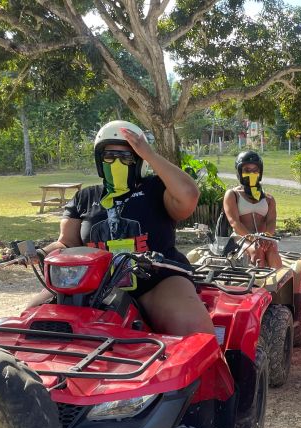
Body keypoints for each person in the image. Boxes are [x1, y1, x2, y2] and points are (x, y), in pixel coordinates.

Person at [32, 120, 215, 336]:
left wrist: (150, 154)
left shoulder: (156, 188)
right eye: (109, 156)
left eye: (126, 157)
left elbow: (189, 195)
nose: (116, 163)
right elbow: (67, 242)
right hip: (94, 283)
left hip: (156, 280)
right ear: (100, 161)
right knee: (32, 317)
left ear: (138, 160)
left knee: (195, 331)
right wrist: (38, 252)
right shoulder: (85, 197)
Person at [222, 150, 282, 268]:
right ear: (239, 172)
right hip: (240, 239)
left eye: (255, 170)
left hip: (263, 238)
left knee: (272, 250)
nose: (252, 173)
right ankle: (257, 285)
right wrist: (253, 238)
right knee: (256, 251)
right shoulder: (232, 194)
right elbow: (234, 222)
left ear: (260, 172)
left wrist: (266, 237)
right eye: (247, 170)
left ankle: (277, 284)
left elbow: (271, 222)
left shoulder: (269, 198)